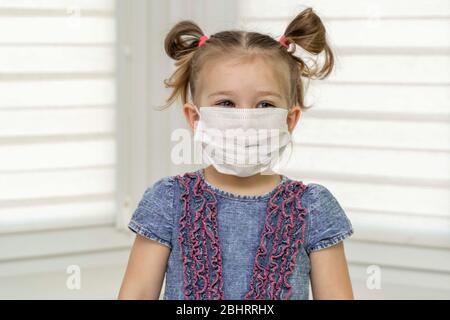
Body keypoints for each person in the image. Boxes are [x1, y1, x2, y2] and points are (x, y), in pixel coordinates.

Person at [118, 7, 354, 300]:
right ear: (195, 118)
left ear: (289, 120)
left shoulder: (314, 208)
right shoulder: (168, 201)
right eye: (226, 103)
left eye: (264, 105)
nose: (244, 120)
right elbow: (136, 295)